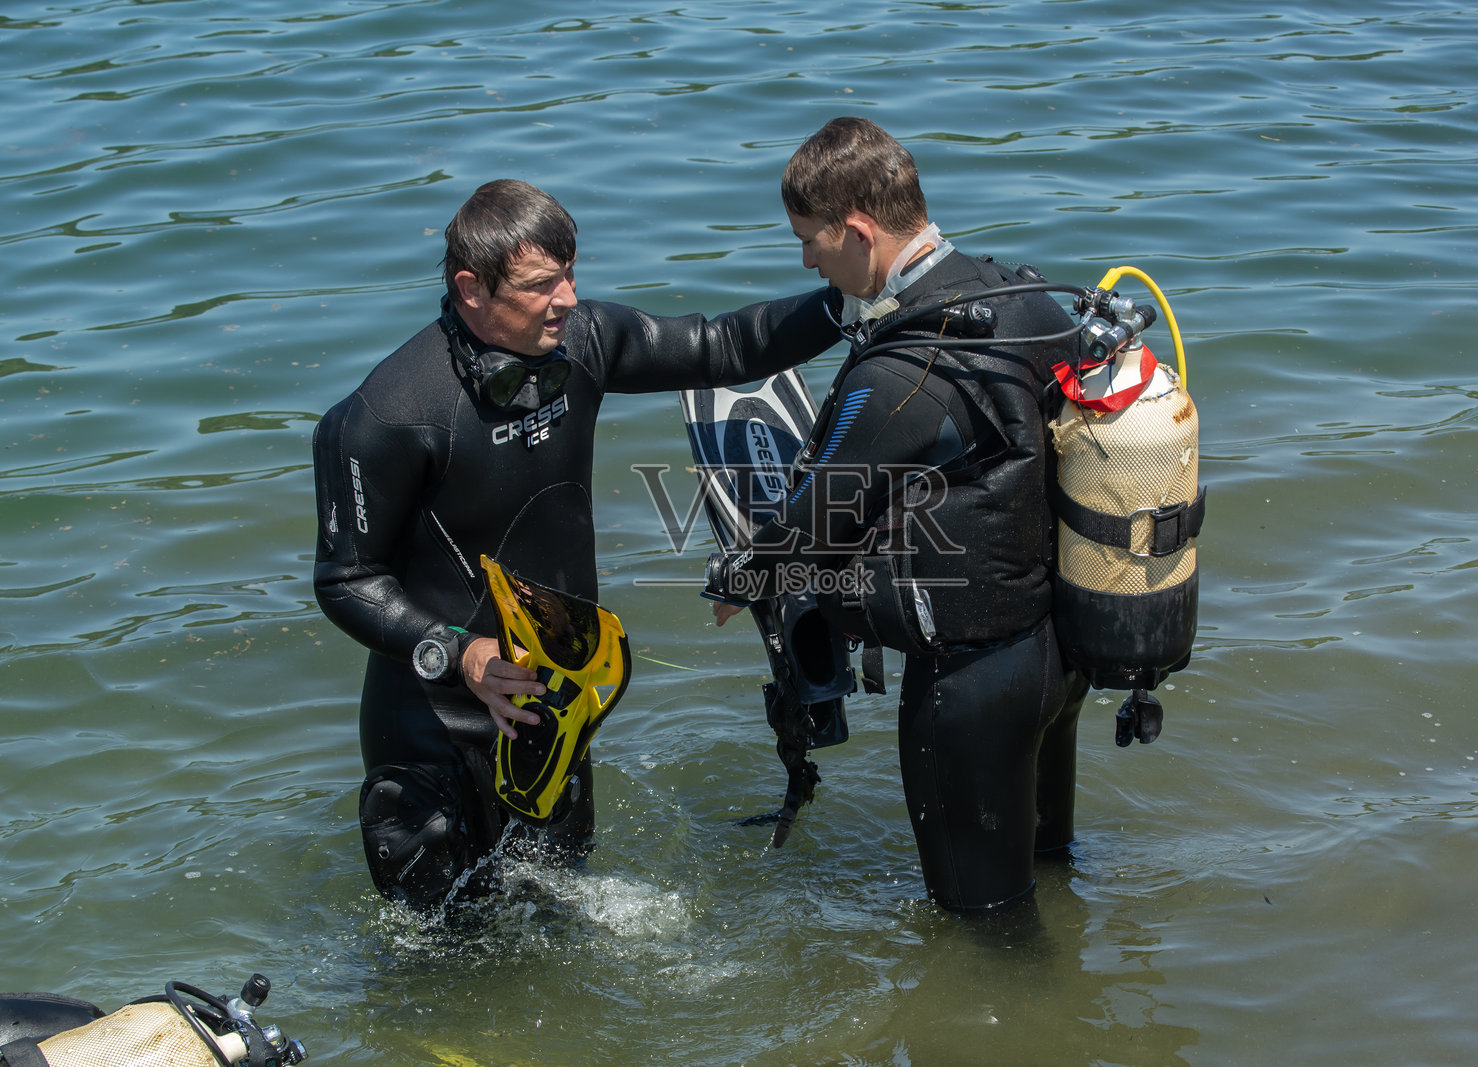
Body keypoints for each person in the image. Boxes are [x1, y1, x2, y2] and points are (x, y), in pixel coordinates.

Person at [312, 178, 839, 908]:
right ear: (471, 288)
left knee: (555, 918)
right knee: (438, 967)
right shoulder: (387, 415)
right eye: (539, 285)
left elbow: (724, 346)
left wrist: (860, 300)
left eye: (569, 274)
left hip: (555, 711)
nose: (566, 298)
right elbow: (346, 578)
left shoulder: (582, 341)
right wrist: (458, 651)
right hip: (432, 729)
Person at [703, 118, 1091, 912]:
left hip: (972, 690)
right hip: (1062, 650)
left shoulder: (900, 372)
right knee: (1050, 870)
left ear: (858, 229)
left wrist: (734, 578)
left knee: (984, 934)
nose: (806, 259)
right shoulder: (1021, 297)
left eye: (810, 240)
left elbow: (810, 528)